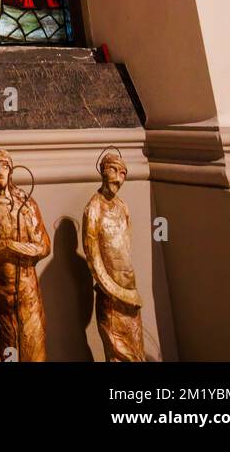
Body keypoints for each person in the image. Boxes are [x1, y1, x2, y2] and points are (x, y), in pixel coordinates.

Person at [0, 150, 50, 362]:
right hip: (1, 293)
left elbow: (43, 246)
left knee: (34, 350)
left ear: (11, 170)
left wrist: (13, 248)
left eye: (4, 166)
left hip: (27, 291)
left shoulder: (25, 204)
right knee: (9, 352)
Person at [82, 152, 145, 362]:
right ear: (102, 170)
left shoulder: (122, 206)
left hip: (129, 290)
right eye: (113, 170)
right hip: (111, 295)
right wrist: (115, 291)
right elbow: (93, 257)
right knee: (118, 352)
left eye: (123, 173)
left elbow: (126, 245)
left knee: (136, 350)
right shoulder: (93, 208)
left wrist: (129, 291)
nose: (118, 178)